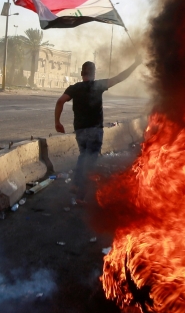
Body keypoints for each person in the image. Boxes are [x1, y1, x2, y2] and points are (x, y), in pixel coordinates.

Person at [54, 58, 141, 204]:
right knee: (90, 162)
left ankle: (75, 184)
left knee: (83, 156)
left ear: (82, 73)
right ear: (94, 74)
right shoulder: (98, 85)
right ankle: (80, 196)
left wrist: (57, 122)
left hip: (80, 130)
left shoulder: (74, 88)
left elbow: (60, 101)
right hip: (95, 130)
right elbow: (120, 77)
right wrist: (135, 63)